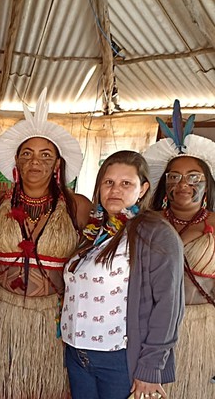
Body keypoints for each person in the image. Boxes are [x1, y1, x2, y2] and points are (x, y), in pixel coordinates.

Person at [0, 88, 92, 399]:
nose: (35, 162)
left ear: (58, 163)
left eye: (45, 155)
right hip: (1, 315)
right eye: (27, 153)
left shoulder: (77, 206)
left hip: (52, 319)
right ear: (15, 159)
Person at [62, 150, 184, 399]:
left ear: (143, 188)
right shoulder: (96, 230)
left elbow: (168, 306)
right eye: (109, 182)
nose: (115, 190)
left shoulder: (155, 233)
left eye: (126, 183)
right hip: (78, 353)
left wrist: (151, 367)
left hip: (119, 357)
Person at [143, 100, 215, 398]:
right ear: (164, 183)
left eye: (193, 177)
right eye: (174, 176)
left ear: (207, 184)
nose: (183, 183)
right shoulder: (146, 224)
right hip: (154, 328)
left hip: (204, 329)